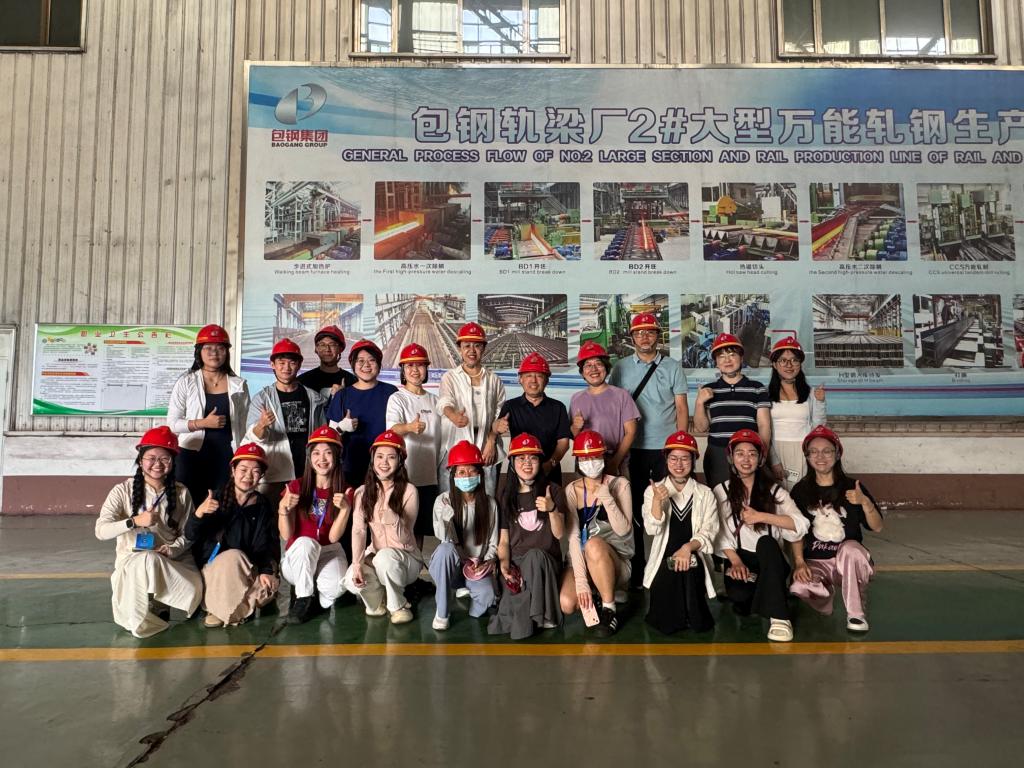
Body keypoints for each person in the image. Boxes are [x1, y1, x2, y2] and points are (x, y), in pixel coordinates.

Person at [94, 427, 202, 638]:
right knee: (147, 559)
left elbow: (189, 534)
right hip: (133, 561)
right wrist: (134, 521)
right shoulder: (122, 491)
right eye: (151, 458)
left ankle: (160, 603)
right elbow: (101, 531)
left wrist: (172, 549)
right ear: (140, 459)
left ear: (172, 462)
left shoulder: (181, 493)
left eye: (165, 458)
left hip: (173, 561)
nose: (157, 464)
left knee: (194, 588)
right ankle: (146, 608)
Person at [609, 312, 689, 585]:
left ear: (658, 336)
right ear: (632, 337)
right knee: (634, 508)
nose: (644, 337)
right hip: (634, 448)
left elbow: (681, 407)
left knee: (672, 504)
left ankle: (670, 562)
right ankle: (638, 567)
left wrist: (680, 446)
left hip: (666, 449)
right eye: (639, 332)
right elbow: (615, 406)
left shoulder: (673, 367)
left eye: (650, 332)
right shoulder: (620, 368)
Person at [713, 429, 808, 642]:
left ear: (761, 459)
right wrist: (735, 562)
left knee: (766, 542)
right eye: (740, 453)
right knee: (740, 598)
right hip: (741, 560)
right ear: (731, 458)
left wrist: (762, 516)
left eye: (752, 454)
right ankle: (771, 592)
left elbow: (800, 524)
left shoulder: (775, 492)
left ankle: (780, 618)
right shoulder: (721, 491)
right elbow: (719, 532)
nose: (746, 459)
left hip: (771, 560)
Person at [789, 426, 883, 632]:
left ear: (837, 454)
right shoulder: (800, 490)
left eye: (827, 451)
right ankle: (825, 597)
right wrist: (799, 563)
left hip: (848, 561)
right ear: (807, 456)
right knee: (798, 587)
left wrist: (865, 502)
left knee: (851, 550)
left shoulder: (853, 487)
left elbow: (877, 527)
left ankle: (856, 615)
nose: (820, 456)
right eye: (814, 452)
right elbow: (795, 531)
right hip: (816, 562)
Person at [186, 443, 279, 627]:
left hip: (248, 568)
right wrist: (199, 514)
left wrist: (266, 571)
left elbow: (267, 543)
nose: (248, 476)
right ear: (233, 471)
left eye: (255, 471)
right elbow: (190, 534)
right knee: (234, 556)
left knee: (270, 586)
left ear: (261, 476)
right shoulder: (215, 498)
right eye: (243, 469)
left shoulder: (262, 505)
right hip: (218, 568)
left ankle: (228, 604)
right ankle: (226, 609)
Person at [488, 433, 566, 639]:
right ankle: (532, 616)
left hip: (546, 562)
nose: (527, 463)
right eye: (521, 458)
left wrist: (552, 509)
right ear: (513, 464)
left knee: (535, 556)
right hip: (518, 563)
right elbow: (504, 541)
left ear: (540, 461)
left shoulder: (553, 491)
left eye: (533, 458)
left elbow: (559, 533)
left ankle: (536, 619)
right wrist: (504, 564)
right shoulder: (505, 496)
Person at [642, 430, 718, 636]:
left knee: (697, 619)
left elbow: (710, 530)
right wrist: (657, 501)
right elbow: (652, 529)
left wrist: (687, 548)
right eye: (673, 458)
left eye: (685, 458)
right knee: (666, 621)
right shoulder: (653, 491)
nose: (679, 464)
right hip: (663, 557)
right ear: (666, 460)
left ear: (693, 461)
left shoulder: (705, 493)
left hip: (693, 554)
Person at [167, 324, 250, 510]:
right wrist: (202, 423)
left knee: (223, 506)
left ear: (227, 352)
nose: (214, 353)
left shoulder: (239, 385)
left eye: (220, 348)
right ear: (199, 351)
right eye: (208, 348)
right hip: (190, 456)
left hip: (226, 456)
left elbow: (244, 425)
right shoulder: (186, 381)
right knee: (188, 507)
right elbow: (172, 424)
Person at [559, 430, 633, 637]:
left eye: (595, 456)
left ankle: (609, 608)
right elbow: (573, 538)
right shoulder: (571, 490)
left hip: (614, 560)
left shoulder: (620, 485)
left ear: (603, 456)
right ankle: (598, 591)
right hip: (582, 560)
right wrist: (581, 582)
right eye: (585, 458)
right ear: (578, 461)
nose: (590, 462)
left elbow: (623, 530)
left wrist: (607, 498)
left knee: (593, 544)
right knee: (567, 603)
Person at [344, 430, 423, 624]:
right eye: (379, 456)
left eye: (391, 457)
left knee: (385, 558)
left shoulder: (409, 491)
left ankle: (398, 605)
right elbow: (358, 530)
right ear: (372, 459)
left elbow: (404, 537)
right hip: (377, 556)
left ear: (400, 461)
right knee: (351, 579)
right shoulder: (362, 493)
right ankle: (376, 602)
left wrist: (392, 517)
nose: (384, 462)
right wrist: (357, 564)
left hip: (406, 559)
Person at [278, 427, 351, 625]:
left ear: (337, 457)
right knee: (305, 542)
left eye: (328, 453)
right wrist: (283, 509)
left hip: (328, 551)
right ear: (310, 458)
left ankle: (315, 593)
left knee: (336, 587)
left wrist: (345, 510)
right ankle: (303, 597)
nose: (322, 459)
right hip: (298, 553)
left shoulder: (345, 490)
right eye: (316, 453)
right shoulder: (295, 486)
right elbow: (286, 535)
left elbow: (333, 537)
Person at [429, 440, 499, 631]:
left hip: (475, 566)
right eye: (461, 472)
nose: (466, 476)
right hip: (450, 566)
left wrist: (486, 562)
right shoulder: (443, 500)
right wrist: (446, 519)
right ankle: (442, 612)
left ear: (480, 474)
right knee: (445, 550)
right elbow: (441, 536)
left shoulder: (490, 504)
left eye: (471, 471)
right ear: (453, 475)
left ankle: (470, 590)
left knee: (487, 597)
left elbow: (493, 541)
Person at [245, 338, 325, 501]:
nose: (286, 368)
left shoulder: (314, 398)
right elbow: (252, 438)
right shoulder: (262, 399)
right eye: (281, 363)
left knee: (307, 514)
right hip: (275, 474)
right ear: (272, 365)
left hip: (308, 472)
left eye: (292, 362)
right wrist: (261, 425)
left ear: (299, 365)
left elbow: (322, 434)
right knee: (274, 514)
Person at [693, 333, 771, 490]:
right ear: (716, 362)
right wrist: (699, 402)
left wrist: (763, 450)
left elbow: (764, 425)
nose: (727, 360)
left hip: (748, 451)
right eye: (721, 356)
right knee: (719, 496)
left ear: (741, 358)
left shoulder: (757, 388)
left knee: (750, 496)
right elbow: (701, 428)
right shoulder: (709, 389)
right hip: (718, 453)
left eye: (732, 355)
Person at [436, 322, 506, 495]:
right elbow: (444, 402)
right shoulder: (450, 377)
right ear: (460, 349)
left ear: (483, 349)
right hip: (454, 447)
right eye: (467, 346)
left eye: (477, 346)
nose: (472, 351)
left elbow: (499, 414)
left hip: (486, 449)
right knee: (450, 500)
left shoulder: (494, 380)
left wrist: (491, 441)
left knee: (486, 499)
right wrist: (453, 416)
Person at [386, 343, 443, 550]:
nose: (415, 370)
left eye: (420, 365)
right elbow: (391, 430)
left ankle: (416, 567)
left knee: (419, 531)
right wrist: (409, 427)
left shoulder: (436, 401)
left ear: (427, 369)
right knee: (401, 528)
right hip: (404, 477)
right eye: (409, 365)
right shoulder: (397, 399)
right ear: (403, 370)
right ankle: (401, 567)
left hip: (430, 476)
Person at [326, 339, 398, 488]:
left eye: (372, 360)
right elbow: (330, 438)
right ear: (353, 365)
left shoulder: (391, 392)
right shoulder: (342, 395)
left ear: (379, 365)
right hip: (351, 468)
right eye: (360, 361)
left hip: (386, 468)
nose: (366, 365)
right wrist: (341, 427)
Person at [497, 352, 571, 485]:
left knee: (551, 499)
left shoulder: (558, 407)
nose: (533, 380)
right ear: (520, 379)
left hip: (549, 470)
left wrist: (550, 464)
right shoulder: (510, 406)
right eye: (528, 375)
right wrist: (496, 428)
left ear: (547, 380)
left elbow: (563, 443)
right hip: (518, 471)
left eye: (539, 376)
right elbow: (494, 432)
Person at [568, 340, 639, 476]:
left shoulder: (621, 395)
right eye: (588, 365)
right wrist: (576, 427)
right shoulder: (576, 398)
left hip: (615, 460)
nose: (593, 369)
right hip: (585, 462)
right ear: (582, 372)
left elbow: (631, 432)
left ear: (606, 368)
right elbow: (573, 435)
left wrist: (615, 463)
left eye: (598, 364)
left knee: (619, 490)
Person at [767, 336, 826, 489]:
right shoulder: (765, 395)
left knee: (803, 493)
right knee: (778, 495)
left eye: (794, 360)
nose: (789, 365)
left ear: (800, 364)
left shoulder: (811, 393)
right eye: (783, 360)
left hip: (803, 451)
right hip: (775, 451)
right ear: (774, 364)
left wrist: (820, 402)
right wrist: (773, 461)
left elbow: (818, 427)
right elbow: (764, 430)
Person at [298, 325, 356, 399]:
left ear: (340, 349)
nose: (327, 349)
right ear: (316, 349)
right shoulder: (302, 382)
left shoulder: (353, 382)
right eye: (322, 345)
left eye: (332, 344)